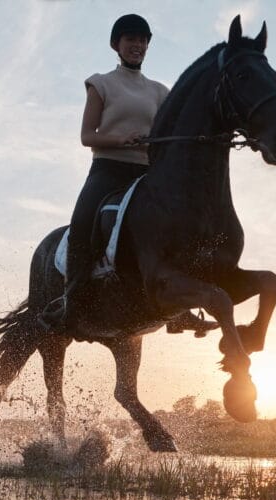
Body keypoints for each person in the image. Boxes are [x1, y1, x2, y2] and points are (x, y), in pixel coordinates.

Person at [39, 14, 216, 336]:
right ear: (116, 45)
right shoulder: (101, 83)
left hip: (148, 175)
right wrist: (121, 139)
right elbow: (87, 136)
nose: (138, 45)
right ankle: (71, 301)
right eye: (131, 39)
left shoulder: (161, 92)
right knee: (82, 223)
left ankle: (181, 309)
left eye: (143, 40)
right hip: (108, 169)